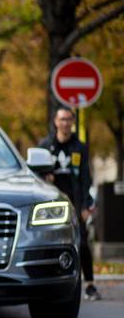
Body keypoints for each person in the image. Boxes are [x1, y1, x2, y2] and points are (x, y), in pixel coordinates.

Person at [39, 107, 101, 301]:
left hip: (75, 202)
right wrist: (44, 177)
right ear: (56, 122)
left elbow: (85, 177)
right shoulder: (45, 146)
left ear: (72, 122)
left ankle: (90, 284)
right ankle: (50, 282)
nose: (65, 123)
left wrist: (85, 205)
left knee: (82, 242)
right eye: (62, 119)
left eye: (68, 119)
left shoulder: (80, 147)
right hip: (52, 204)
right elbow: (34, 176)